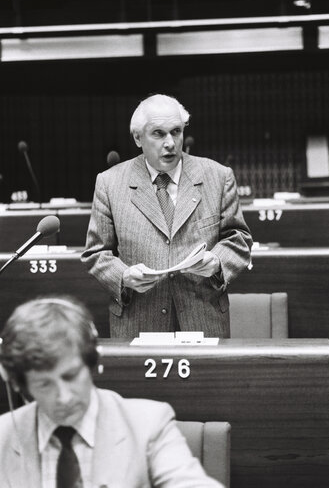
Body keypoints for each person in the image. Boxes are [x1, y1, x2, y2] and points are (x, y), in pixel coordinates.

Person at [0, 296, 225, 488]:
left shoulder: (149, 425)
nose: (64, 397)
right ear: (18, 384)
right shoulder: (3, 435)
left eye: (71, 376)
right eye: (44, 385)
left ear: (94, 362)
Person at [82, 94, 252, 337]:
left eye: (176, 131)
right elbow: (96, 253)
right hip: (138, 321)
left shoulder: (218, 176)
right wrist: (123, 276)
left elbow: (239, 238)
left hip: (203, 320)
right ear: (138, 138)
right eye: (159, 134)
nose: (170, 142)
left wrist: (217, 262)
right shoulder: (109, 183)